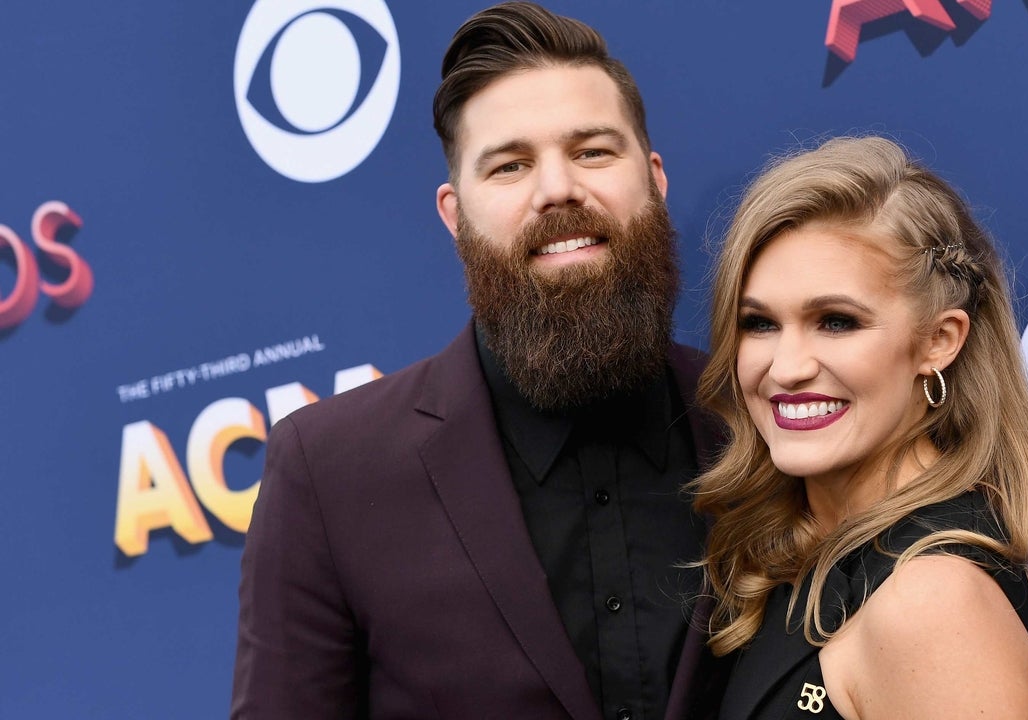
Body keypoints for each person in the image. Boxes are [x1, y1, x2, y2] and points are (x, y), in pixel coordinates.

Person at [232, 3, 724, 718]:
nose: (557, 189)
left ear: (654, 179)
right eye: (509, 165)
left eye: (592, 151)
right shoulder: (328, 473)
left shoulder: (763, 424)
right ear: (454, 215)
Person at [692, 137, 1028, 718]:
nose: (785, 368)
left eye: (836, 322)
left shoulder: (932, 602)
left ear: (939, 341)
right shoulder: (814, 544)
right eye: (759, 324)